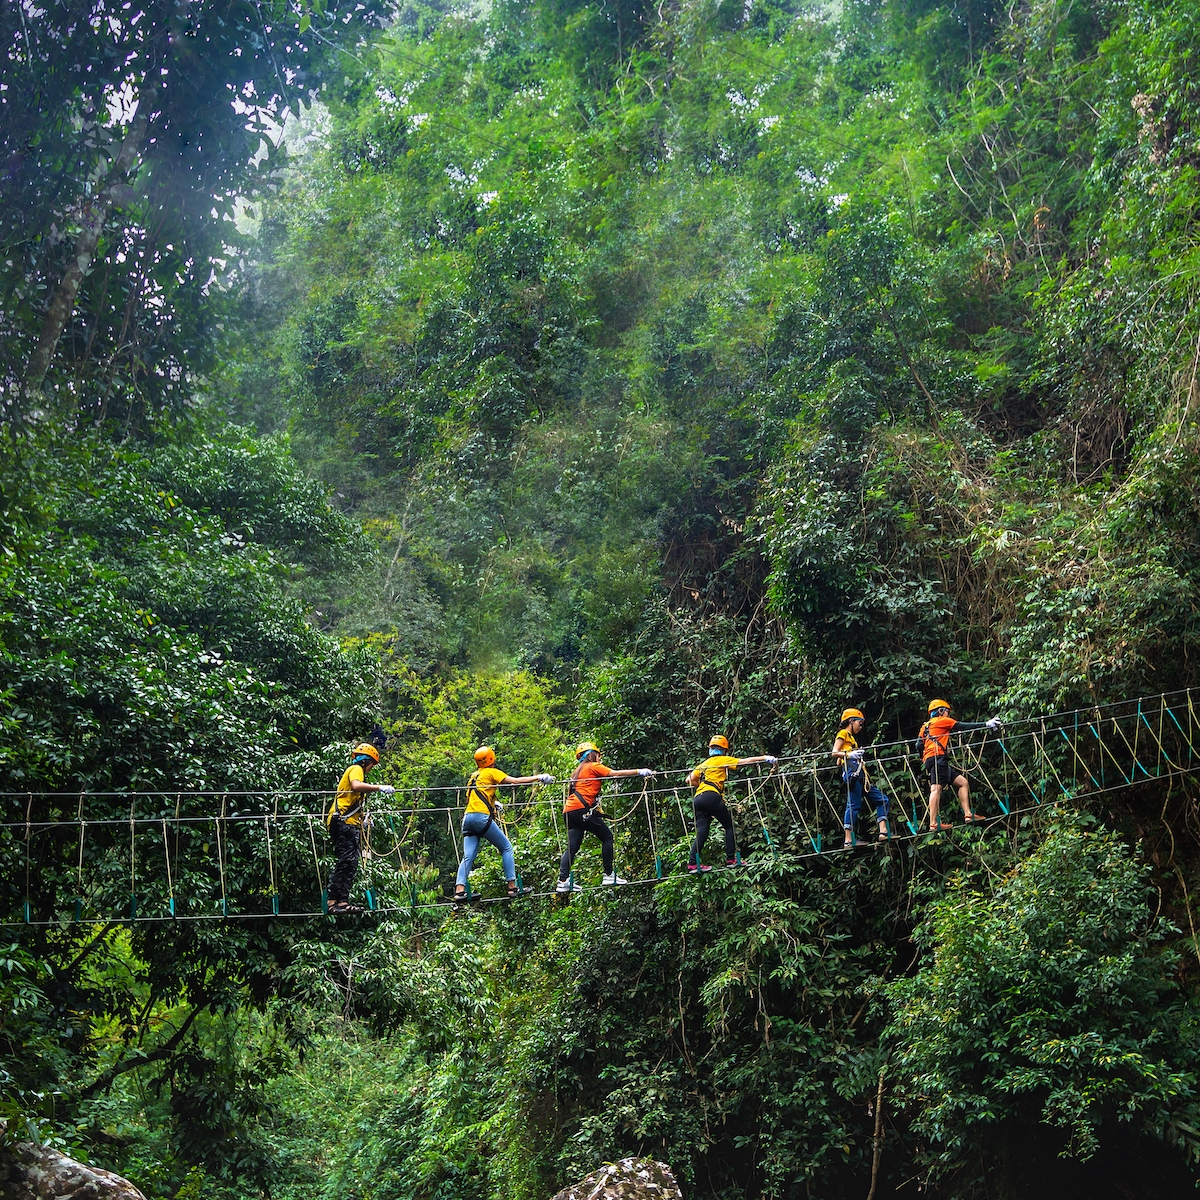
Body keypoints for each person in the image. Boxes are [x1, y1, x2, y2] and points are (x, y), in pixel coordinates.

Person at [455, 746, 554, 903]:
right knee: (506, 847)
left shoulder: (473, 776)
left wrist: (493, 804)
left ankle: (459, 891)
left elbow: (471, 800)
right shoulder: (492, 772)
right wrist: (538, 777)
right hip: (481, 818)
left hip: (467, 819)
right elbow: (514, 781)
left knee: (468, 856)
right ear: (492, 759)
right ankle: (512, 887)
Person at [556, 742, 655, 893]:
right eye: (598, 755)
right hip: (581, 809)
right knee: (607, 837)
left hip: (569, 811)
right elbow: (614, 773)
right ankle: (608, 874)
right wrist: (639, 771)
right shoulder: (593, 766)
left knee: (572, 847)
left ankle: (563, 880)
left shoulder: (577, 771)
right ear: (592, 754)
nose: (600, 758)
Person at [685, 735, 777, 873]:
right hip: (712, 797)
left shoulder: (703, 765)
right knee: (729, 826)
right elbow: (744, 762)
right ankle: (731, 859)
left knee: (702, 831)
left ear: (710, 749)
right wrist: (764, 758)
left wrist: (703, 786)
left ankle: (692, 863)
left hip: (698, 799)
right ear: (724, 750)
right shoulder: (722, 760)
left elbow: (689, 780)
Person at [326, 736, 394, 914]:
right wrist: (380, 787)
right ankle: (333, 901)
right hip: (342, 822)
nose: (371, 769)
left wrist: (362, 822)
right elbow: (356, 786)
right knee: (346, 861)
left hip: (347, 822)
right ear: (366, 762)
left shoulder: (358, 770)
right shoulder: (356, 768)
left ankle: (342, 901)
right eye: (372, 765)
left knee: (351, 862)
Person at [917, 699, 1001, 831]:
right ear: (940, 711)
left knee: (963, 782)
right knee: (936, 789)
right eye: (947, 712)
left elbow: (918, 745)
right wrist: (986, 724)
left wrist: (924, 758)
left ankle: (968, 814)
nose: (948, 715)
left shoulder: (925, 727)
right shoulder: (942, 721)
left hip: (932, 760)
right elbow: (963, 726)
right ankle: (933, 823)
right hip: (938, 758)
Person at [831, 708, 890, 846]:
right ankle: (848, 840)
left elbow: (838, 762)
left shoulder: (851, 739)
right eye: (860, 723)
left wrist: (851, 753)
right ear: (851, 721)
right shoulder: (843, 733)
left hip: (859, 774)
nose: (861, 726)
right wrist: (849, 755)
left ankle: (883, 832)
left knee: (882, 799)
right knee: (853, 805)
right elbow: (834, 753)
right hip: (853, 773)